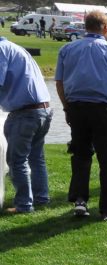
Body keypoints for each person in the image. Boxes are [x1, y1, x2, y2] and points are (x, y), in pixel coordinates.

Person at [55, 10, 107, 220]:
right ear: (106, 28)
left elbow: (60, 82)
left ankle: (80, 201)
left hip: (76, 108)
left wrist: (66, 108)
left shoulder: (67, 49)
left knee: (81, 155)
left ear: (86, 27)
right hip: (102, 110)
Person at [0, 36, 53, 214]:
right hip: (43, 109)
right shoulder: (15, 48)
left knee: (16, 160)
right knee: (36, 157)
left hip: (25, 113)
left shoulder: (1, 50)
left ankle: (23, 204)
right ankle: (41, 197)